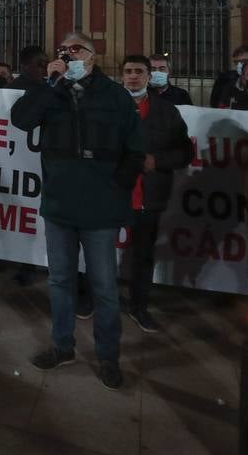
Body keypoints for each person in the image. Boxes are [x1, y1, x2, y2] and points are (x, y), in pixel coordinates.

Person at [11, 32, 144, 390]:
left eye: (78, 50)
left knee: (104, 287)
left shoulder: (114, 95)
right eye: (64, 50)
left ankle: (108, 356)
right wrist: (47, 83)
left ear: (93, 56)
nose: (70, 55)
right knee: (60, 280)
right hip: (60, 204)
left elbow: (135, 149)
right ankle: (62, 345)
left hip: (101, 207)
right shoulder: (52, 91)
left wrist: (118, 187)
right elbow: (22, 120)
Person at [119, 55, 192, 332]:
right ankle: (96, 299)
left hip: (149, 196)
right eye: (128, 71)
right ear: (122, 76)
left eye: (139, 71)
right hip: (112, 193)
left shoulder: (167, 111)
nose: (133, 76)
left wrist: (157, 161)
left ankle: (139, 305)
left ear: (149, 76)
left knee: (143, 255)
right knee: (98, 250)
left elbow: (185, 152)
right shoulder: (109, 107)